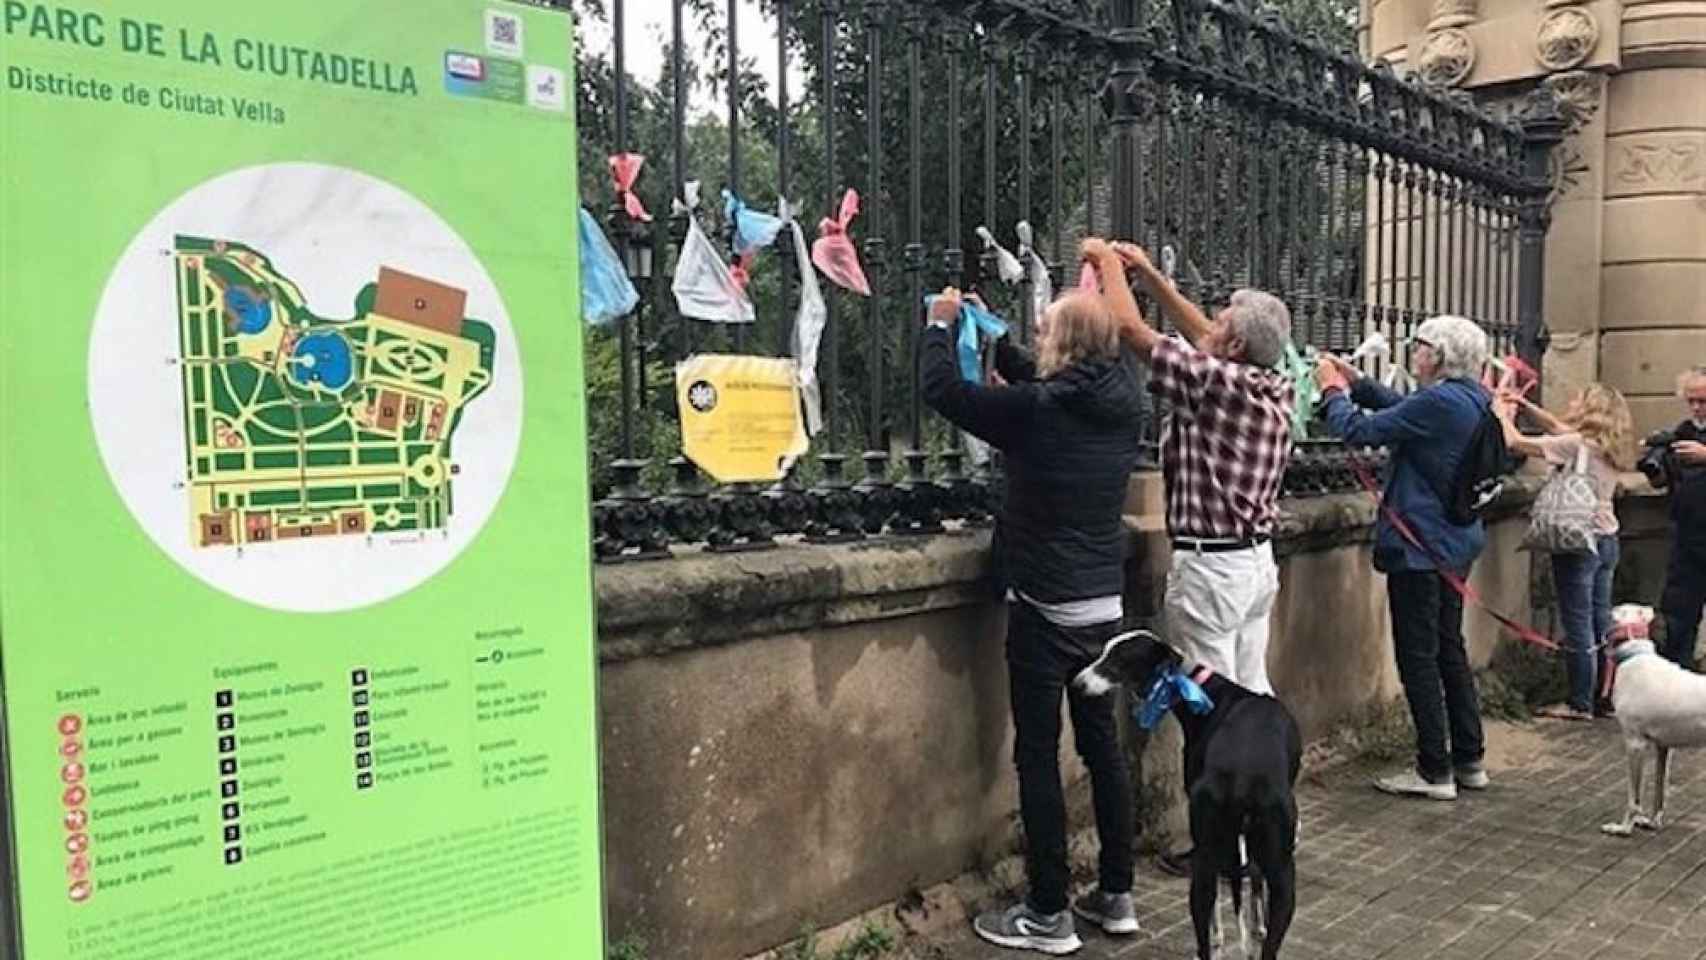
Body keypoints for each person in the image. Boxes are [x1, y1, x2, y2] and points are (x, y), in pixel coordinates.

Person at [921, 258, 1146, 954]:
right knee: (1103, 748)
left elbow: (944, 392)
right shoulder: (1125, 397)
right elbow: (1045, 383)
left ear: (1064, 345)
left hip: (1045, 609)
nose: (1035, 337)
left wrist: (939, 327)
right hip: (1103, 607)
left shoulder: (1036, 413)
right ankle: (1117, 893)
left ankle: (1048, 911)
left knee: (1039, 755)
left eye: (1043, 329)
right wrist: (999, 346)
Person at [1094, 242, 1295, 878]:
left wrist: (1103, 261)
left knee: (1208, 717)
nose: (1210, 323)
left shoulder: (1216, 382)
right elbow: (1204, 335)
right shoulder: (1269, 380)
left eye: (1222, 322)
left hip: (1213, 572)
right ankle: (1267, 827)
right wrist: (1151, 276)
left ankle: (1221, 847)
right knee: (1253, 704)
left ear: (1234, 346)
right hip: (1254, 564)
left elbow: (1130, 331)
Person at [1314, 316, 1493, 801]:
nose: (1413, 352)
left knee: (1418, 657)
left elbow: (1358, 430)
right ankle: (1468, 759)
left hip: (1421, 546)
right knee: (1448, 649)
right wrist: (1359, 382)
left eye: (1419, 346)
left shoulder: (1438, 401)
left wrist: (1332, 392)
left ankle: (1434, 769)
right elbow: (1404, 412)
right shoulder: (1470, 398)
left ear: (1438, 355)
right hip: (1453, 542)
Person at [1494, 384, 1636, 719]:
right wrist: (1527, 406)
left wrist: (1501, 415)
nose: (1571, 401)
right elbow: (1557, 428)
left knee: (1577, 623)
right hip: (1606, 538)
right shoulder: (1609, 446)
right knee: (1601, 620)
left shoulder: (1575, 446)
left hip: (1577, 541)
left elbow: (1517, 443)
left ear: (1590, 408)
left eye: (1578, 398)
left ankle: (1579, 702)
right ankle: (1605, 697)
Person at [1648, 366, 1706, 668]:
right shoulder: (1683, 431)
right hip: (1688, 536)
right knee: (1678, 615)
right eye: (1691, 400)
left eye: (1704, 401)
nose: (1697, 408)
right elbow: (1664, 481)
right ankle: (1676, 682)